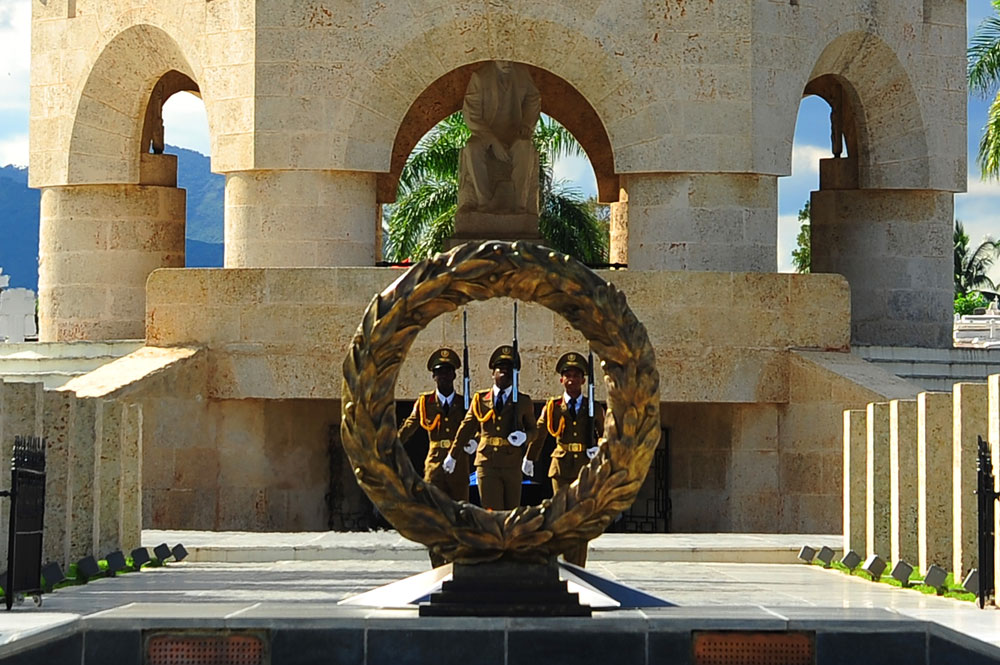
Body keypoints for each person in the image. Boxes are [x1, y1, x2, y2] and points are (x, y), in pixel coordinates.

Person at [525, 351, 605, 566]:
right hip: (560, 467)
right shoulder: (552, 407)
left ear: (583, 380)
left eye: (576, 375)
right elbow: (540, 433)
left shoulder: (593, 407)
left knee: (579, 517)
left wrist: (597, 449)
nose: (571, 379)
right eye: (567, 375)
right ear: (561, 379)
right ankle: (561, 562)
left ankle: (578, 565)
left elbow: (605, 435)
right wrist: (530, 458)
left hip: (584, 467)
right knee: (561, 516)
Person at [399, 348, 472, 567]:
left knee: (459, 514)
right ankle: (437, 564)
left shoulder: (464, 402)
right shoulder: (424, 402)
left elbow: (475, 425)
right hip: (434, 465)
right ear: (433, 376)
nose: (443, 376)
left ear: (454, 375)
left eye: (448, 372)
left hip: (458, 463)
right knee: (434, 516)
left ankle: (457, 561)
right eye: (439, 372)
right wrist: (390, 446)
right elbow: (409, 428)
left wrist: (474, 441)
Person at [446, 345, 536, 510]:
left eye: (509, 368)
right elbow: (466, 428)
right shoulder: (480, 399)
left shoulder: (523, 401)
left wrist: (525, 437)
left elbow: (534, 430)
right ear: (492, 372)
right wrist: (453, 455)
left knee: (511, 513)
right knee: (491, 512)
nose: (504, 372)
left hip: (511, 463)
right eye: (500, 368)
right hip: (487, 462)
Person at [457, 60, 541, 215]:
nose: (506, 62)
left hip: (514, 135)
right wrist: (493, 141)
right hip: (486, 135)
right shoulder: (480, 77)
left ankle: (520, 206)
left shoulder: (523, 73)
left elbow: (533, 99)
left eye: (509, 58)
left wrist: (526, 126)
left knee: (525, 147)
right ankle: (484, 203)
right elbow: (472, 115)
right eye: (502, 59)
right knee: (472, 147)